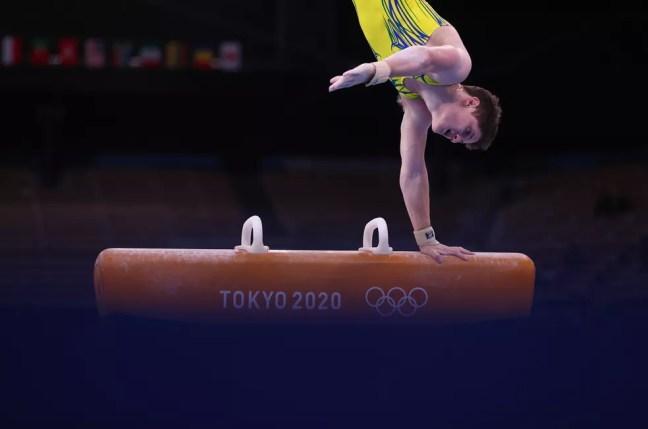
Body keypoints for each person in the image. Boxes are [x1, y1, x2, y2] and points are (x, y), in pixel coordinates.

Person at [329, 0, 502, 263]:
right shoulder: (456, 67)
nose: (455, 139)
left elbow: (413, 171)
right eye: (466, 132)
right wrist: (377, 71)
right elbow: (422, 56)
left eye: (460, 140)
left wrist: (426, 239)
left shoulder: (415, 109)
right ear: (471, 102)